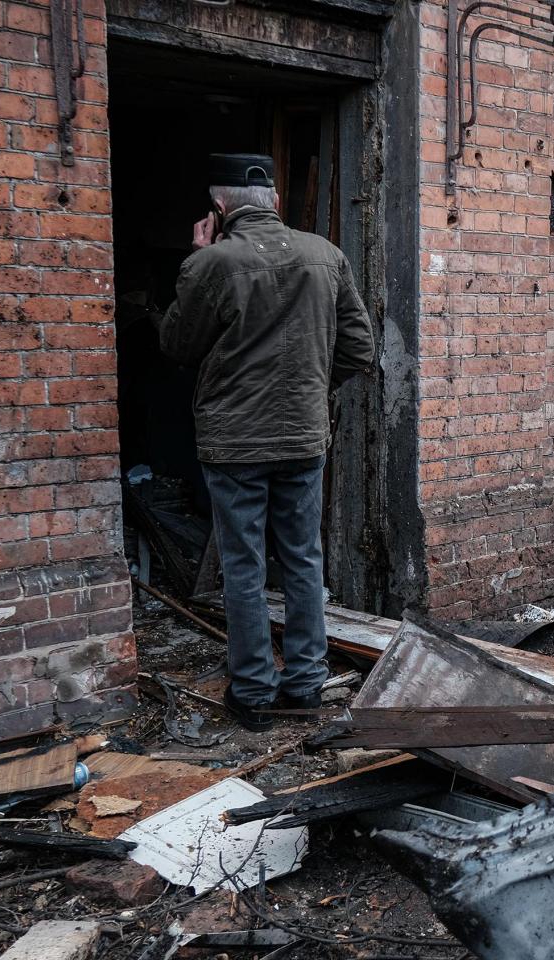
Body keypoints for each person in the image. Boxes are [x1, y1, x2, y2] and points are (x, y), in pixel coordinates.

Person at [159, 153, 375, 731]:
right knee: (304, 559)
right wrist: (311, 389)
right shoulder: (325, 255)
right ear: (275, 202)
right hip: (303, 435)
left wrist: (197, 258)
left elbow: (176, 345)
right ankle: (305, 686)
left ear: (218, 208)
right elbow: (359, 348)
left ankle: (254, 693)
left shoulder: (212, 263)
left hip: (235, 443)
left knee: (243, 565)